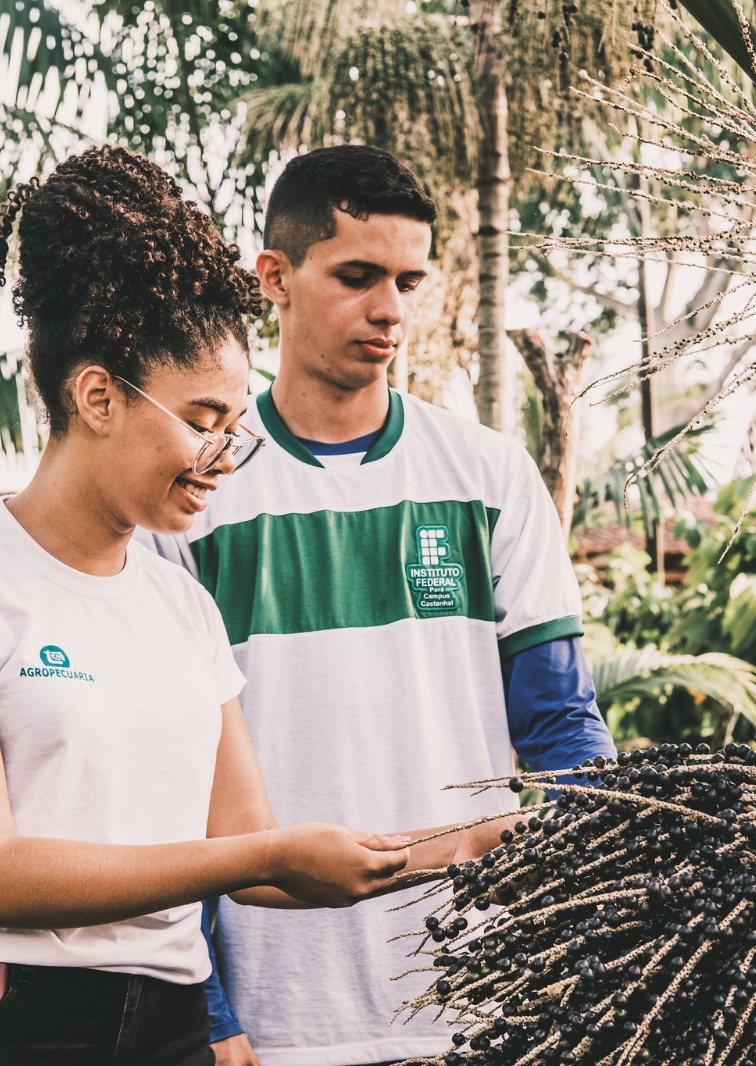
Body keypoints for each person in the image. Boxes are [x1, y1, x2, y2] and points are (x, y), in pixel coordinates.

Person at [0, 145, 492, 1066]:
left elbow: (249, 842)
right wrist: (262, 859)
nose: (222, 459)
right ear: (99, 395)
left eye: (236, 428)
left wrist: (462, 847)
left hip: (167, 1024)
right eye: (201, 420)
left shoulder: (182, 606)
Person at [144, 144, 617, 1066]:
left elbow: (563, 728)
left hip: (480, 1006)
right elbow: (164, 781)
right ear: (273, 278)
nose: (391, 310)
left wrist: (584, 937)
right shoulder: (195, 491)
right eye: (358, 276)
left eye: (407, 280)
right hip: (276, 1018)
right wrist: (210, 1011)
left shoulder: (486, 475)